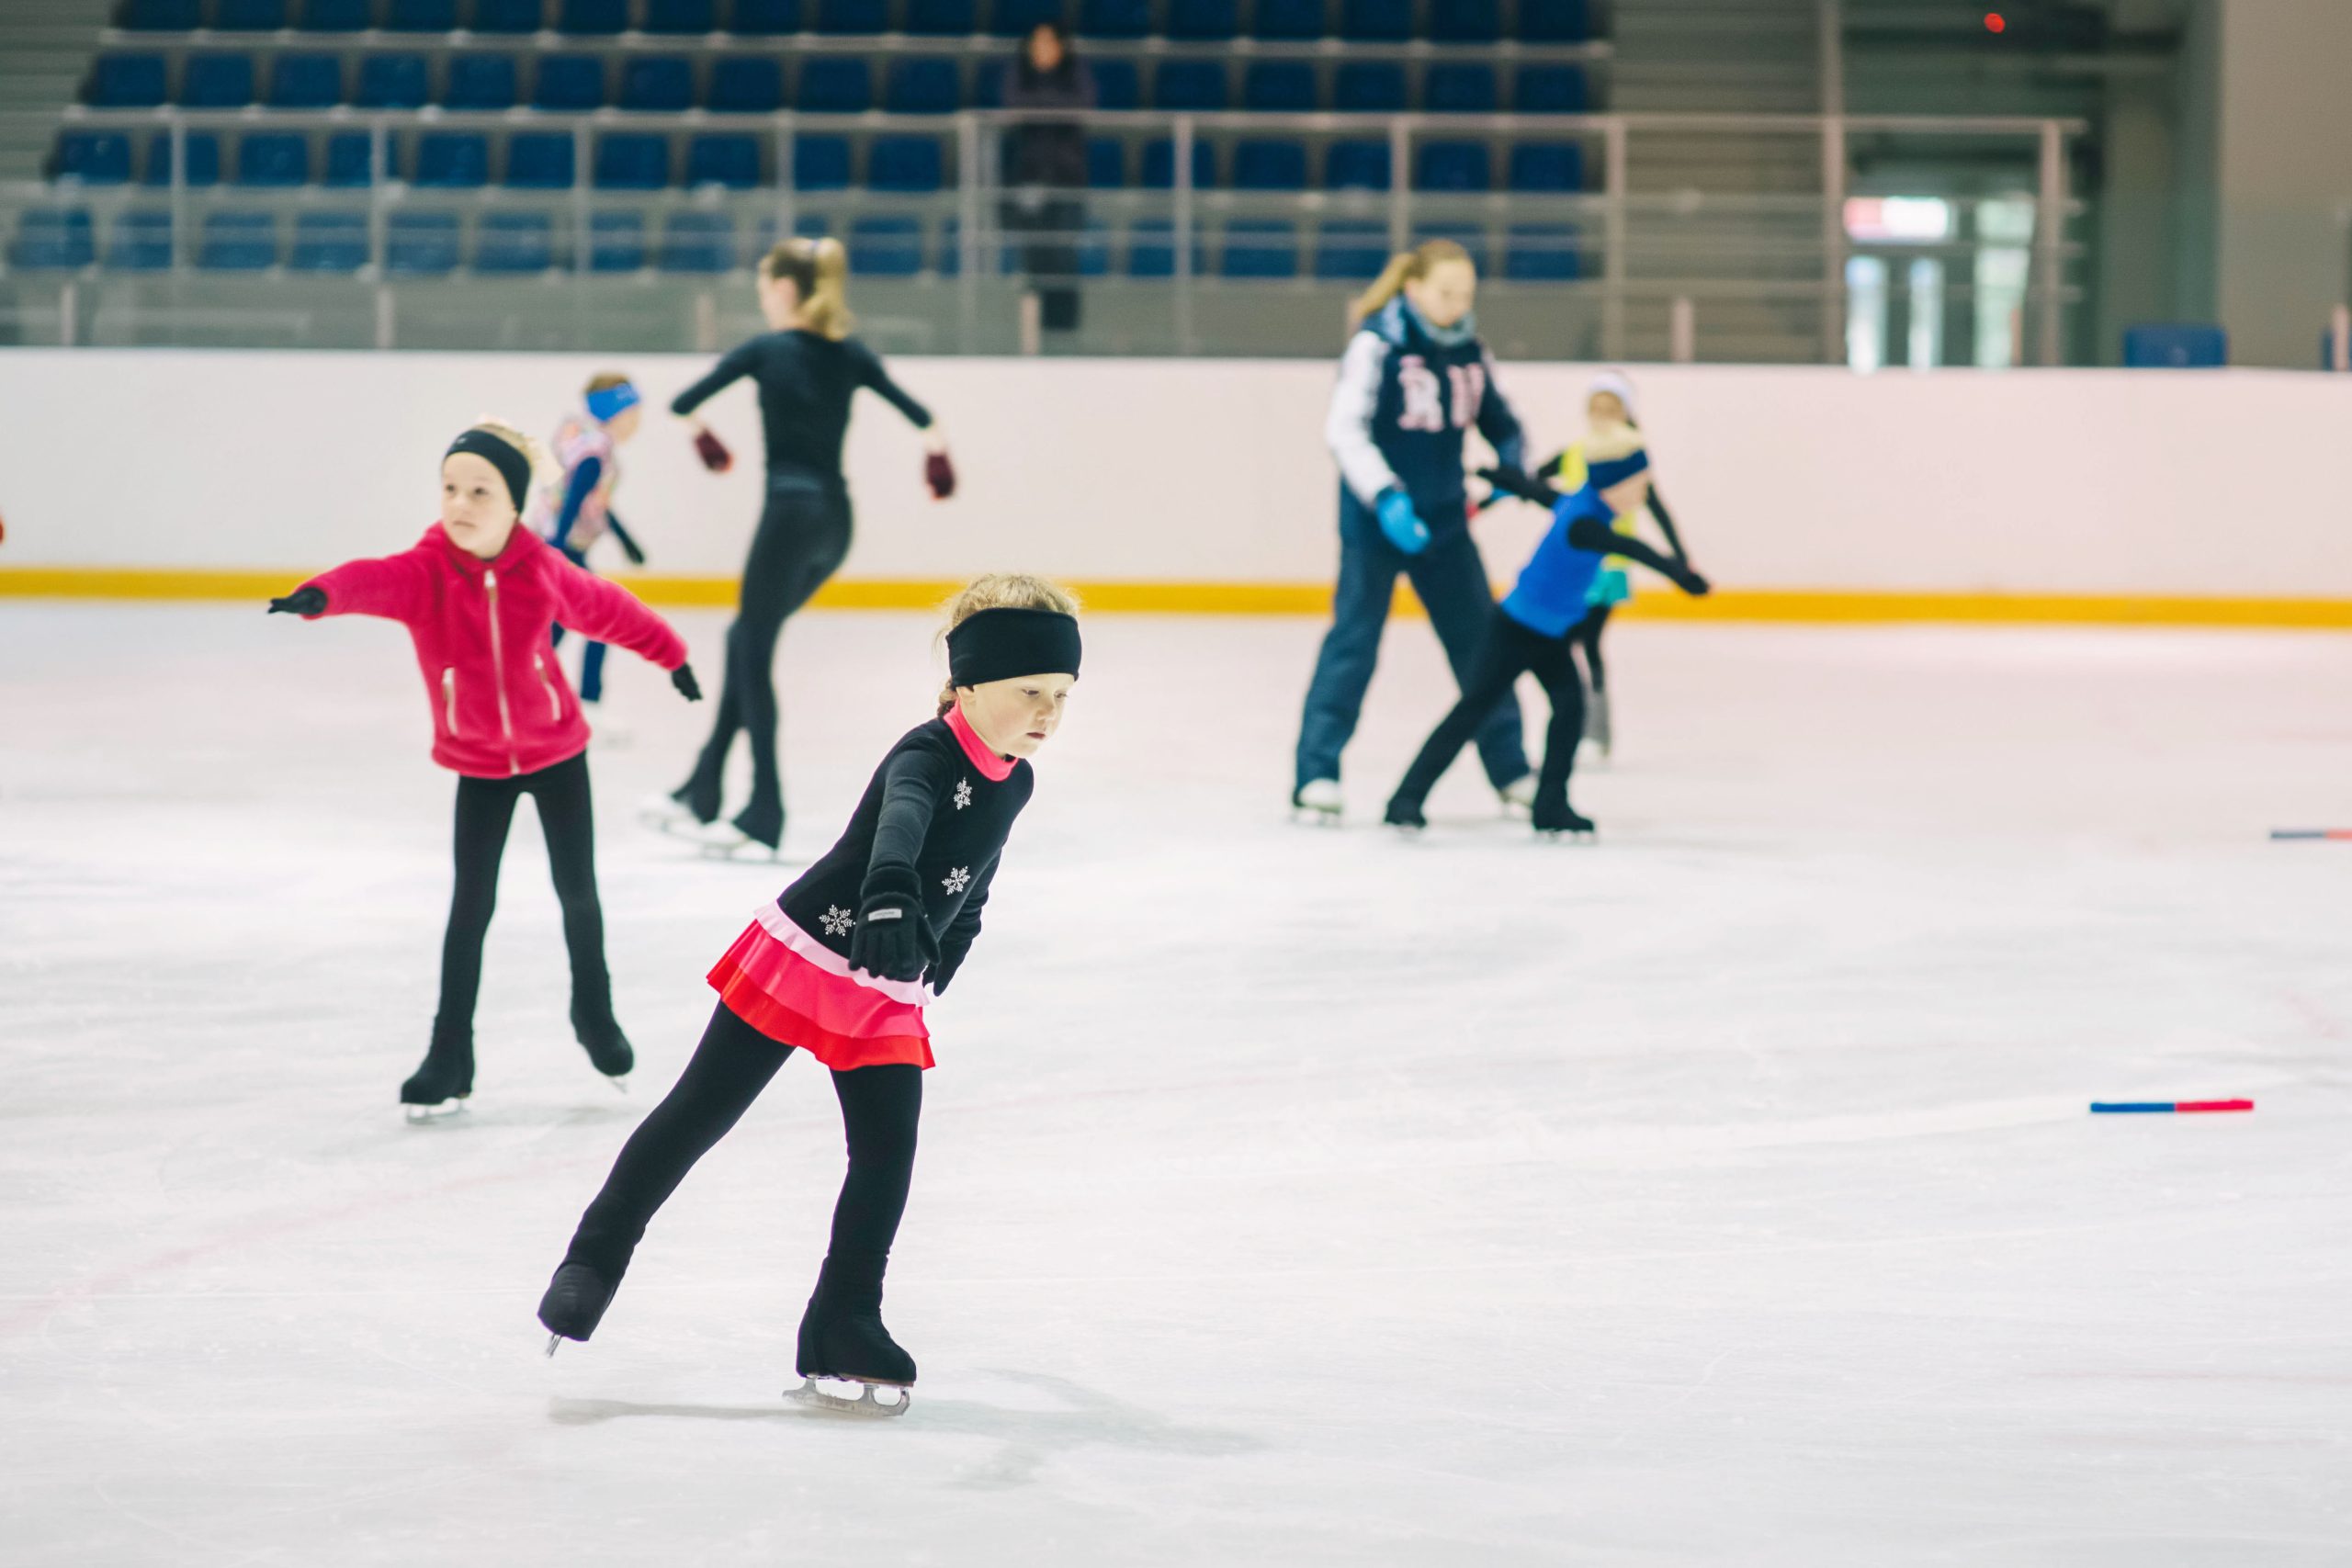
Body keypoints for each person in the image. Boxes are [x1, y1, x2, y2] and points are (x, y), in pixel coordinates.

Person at [539, 575, 1082, 1416]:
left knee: (886, 1152)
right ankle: (591, 1262)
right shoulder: (927, 752)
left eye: (1061, 695)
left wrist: (955, 938)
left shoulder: (1016, 779)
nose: (1048, 711)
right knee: (700, 1111)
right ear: (969, 683)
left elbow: (976, 870)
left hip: (886, 976)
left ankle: (843, 1318)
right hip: (808, 949)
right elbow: (903, 818)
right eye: (1030, 692)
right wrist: (895, 882)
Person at [266, 422, 701, 1118]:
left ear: (515, 504)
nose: (460, 503)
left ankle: (595, 1015)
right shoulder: (426, 571)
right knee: (471, 907)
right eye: (449, 488)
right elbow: (369, 580)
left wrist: (672, 654)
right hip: (479, 762)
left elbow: (609, 609)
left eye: (480, 490)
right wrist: (320, 595)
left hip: (557, 750)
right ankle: (449, 1055)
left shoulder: (544, 570)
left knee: (577, 891)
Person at [646, 238, 956, 859]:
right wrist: (937, 459)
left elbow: (681, 405)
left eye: (765, 287)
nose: (763, 298)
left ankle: (764, 814)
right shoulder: (851, 354)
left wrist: (707, 442)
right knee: (743, 640)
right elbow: (924, 418)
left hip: (789, 514)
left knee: (750, 648)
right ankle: (702, 789)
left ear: (785, 289)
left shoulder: (766, 350)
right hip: (835, 525)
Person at [1293, 239, 1534, 823]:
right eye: (1446, 293)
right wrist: (1387, 496)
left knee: (1483, 646)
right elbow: (1345, 430)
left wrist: (1510, 465)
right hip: (1377, 522)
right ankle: (1316, 775)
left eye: (1465, 294)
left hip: (1447, 524)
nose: (1457, 304)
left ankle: (1511, 770)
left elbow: (1502, 422)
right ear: (1414, 289)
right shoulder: (1377, 345)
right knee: (1354, 640)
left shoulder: (1472, 352)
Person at [1383, 422, 1711, 839]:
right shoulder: (1587, 523)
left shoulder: (1583, 504)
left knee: (1569, 709)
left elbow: (1541, 494)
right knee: (1473, 710)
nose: (1644, 494)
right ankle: (1405, 798)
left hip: (1551, 633)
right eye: (1639, 484)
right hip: (1517, 629)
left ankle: (1551, 804)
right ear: (1616, 485)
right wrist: (1679, 573)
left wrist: (1509, 479)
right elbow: (1630, 548)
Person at [1531, 371, 1692, 761]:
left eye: (1611, 407)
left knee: (1587, 642)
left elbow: (1657, 507)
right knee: (1563, 644)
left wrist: (1679, 559)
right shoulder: (1574, 452)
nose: (1602, 414)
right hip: (1573, 565)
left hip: (1610, 567)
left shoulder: (1629, 460)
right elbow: (1530, 481)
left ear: (1626, 412)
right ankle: (1577, 723)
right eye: (1596, 407)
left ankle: (1594, 730)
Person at [533, 372, 650, 742]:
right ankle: (590, 708)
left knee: (556, 628)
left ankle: (517, 696)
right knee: (603, 618)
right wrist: (558, 550)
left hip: (554, 542)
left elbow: (591, 500)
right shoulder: (595, 451)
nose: (638, 422)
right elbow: (574, 497)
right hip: (561, 545)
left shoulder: (581, 436)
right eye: (634, 413)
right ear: (616, 412)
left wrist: (626, 540)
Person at [1001, 21, 1094, 342]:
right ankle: (1035, 333)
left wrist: (1037, 106)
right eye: (1036, 44)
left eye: (1049, 43)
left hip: (1067, 179)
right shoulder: (1020, 74)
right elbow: (1014, 104)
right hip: (1028, 177)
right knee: (1034, 256)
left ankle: (1065, 332)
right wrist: (1053, 106)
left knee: (1064, 256)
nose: (1042, 51)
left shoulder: (1075, 73)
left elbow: (1082, 105)